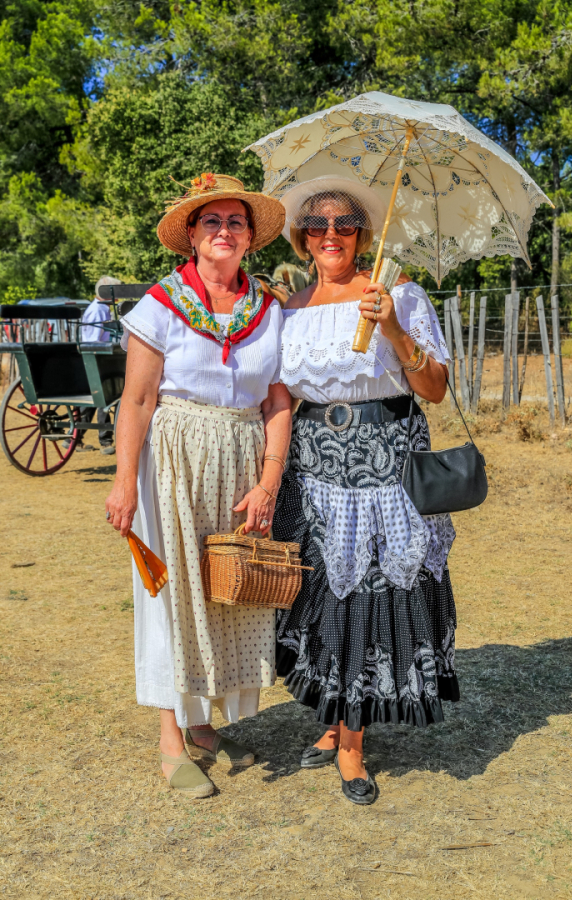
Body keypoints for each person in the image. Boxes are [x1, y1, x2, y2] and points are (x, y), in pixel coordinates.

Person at [273, 176, 458, 805]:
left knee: (369, 599)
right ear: (302, 238)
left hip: (384, 467)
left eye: (345, 224)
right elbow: (278, 397)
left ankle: (352, 746)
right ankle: (334, 719)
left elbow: (433, 389)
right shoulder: (288, 310)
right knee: (323, 598)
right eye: (318, 225)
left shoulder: (398, 296)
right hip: (313, 468)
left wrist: (393, 333)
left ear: (362, 234)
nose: (331, 235)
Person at [105, 173, 291, 799]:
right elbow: (135, 401)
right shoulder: (161, 305)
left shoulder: (268, 309)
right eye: (211, 221)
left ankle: (205, 724)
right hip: (175, 456)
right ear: (191, 234)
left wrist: (269, 480)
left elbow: (277, 400)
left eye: (235, 222)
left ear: (250, 238)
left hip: (241, 458)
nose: (224, 231)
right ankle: (169, 737)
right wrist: (124, 483)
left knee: (226, 591)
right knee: (172, 590)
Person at [75, 276, 122, 454]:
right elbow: (94, 339)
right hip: (98, 356)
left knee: (93, 400)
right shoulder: (99, 310)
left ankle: (76, 437)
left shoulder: (98, 308)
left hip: (95, 355)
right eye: (115, 292)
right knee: (107, 397)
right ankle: (105, 441)